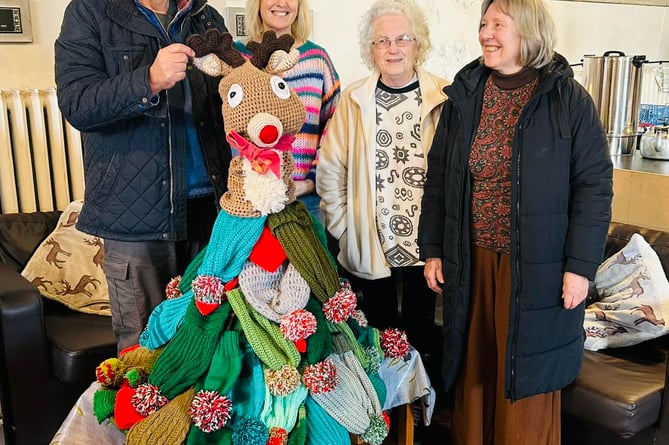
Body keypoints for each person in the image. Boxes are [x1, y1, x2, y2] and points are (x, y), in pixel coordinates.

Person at [418, 0, 614, 442]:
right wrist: (432, 249)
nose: (486, 33)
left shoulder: (568, 99)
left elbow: (594, 187)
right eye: (483, 23)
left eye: (498, 24)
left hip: (538, 270)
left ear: (527, 31)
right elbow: (439, 177)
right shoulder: (466, 95)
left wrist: (580, 268)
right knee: (475, 373)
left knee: (526, 379)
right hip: (472, 260)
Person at [55, 0, 231, 352]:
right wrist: (148, 80)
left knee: (211, 344)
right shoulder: (90, 11)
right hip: (135, 220)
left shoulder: (205, 16)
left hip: (213, 212)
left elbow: (229, 101)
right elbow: (76, 103)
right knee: (143, 353)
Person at [317, 0, 449, 406]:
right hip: (369, 242)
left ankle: (423, 409)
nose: (393, 49)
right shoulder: (354, 100)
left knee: (421, 330)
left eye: (402, 39)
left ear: (419, 45)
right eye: (382, 41)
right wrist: (343, 227)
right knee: (376, 333)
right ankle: (381, 411)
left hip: (424, 248)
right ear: (370, 49)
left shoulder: (443, 96)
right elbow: (330, 169)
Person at [236, 0, 340, 223]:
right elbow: (224, 127)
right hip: (248, 202)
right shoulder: (237, 58)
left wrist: (312, 180)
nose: (282, 3)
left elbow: (335, 126)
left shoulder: (317, 59)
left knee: (310, 259)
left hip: (304, 201)